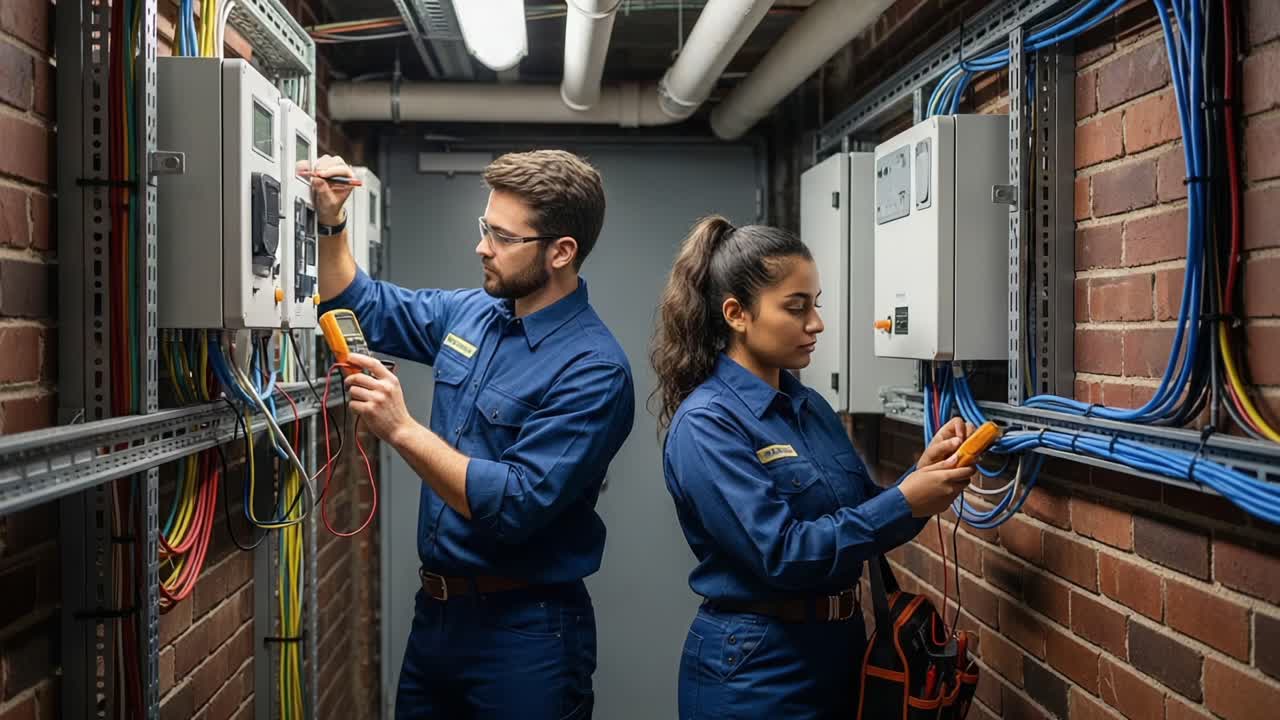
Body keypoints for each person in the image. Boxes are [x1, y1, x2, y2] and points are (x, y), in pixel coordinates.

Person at [311, 149, 635, 720]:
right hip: (436, 619)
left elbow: (512, 502)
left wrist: (402, 429)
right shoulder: (473, 314)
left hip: (525, 636)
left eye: (503, 237)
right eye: (485, 227)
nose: (483, 246)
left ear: (561, 252)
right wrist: (333, 222)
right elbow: (358, 304)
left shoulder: (594, 369)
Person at [651, 216, 976, 719]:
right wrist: (903, 501)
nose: (817, 323)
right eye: (796, 307)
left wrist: (920, 475)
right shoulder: (707, 425)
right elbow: (782, 554)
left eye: (815, 304)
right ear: (737, 314)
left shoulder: (809, 406)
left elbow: (863, 511)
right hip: (757, 669)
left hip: (839, 649)